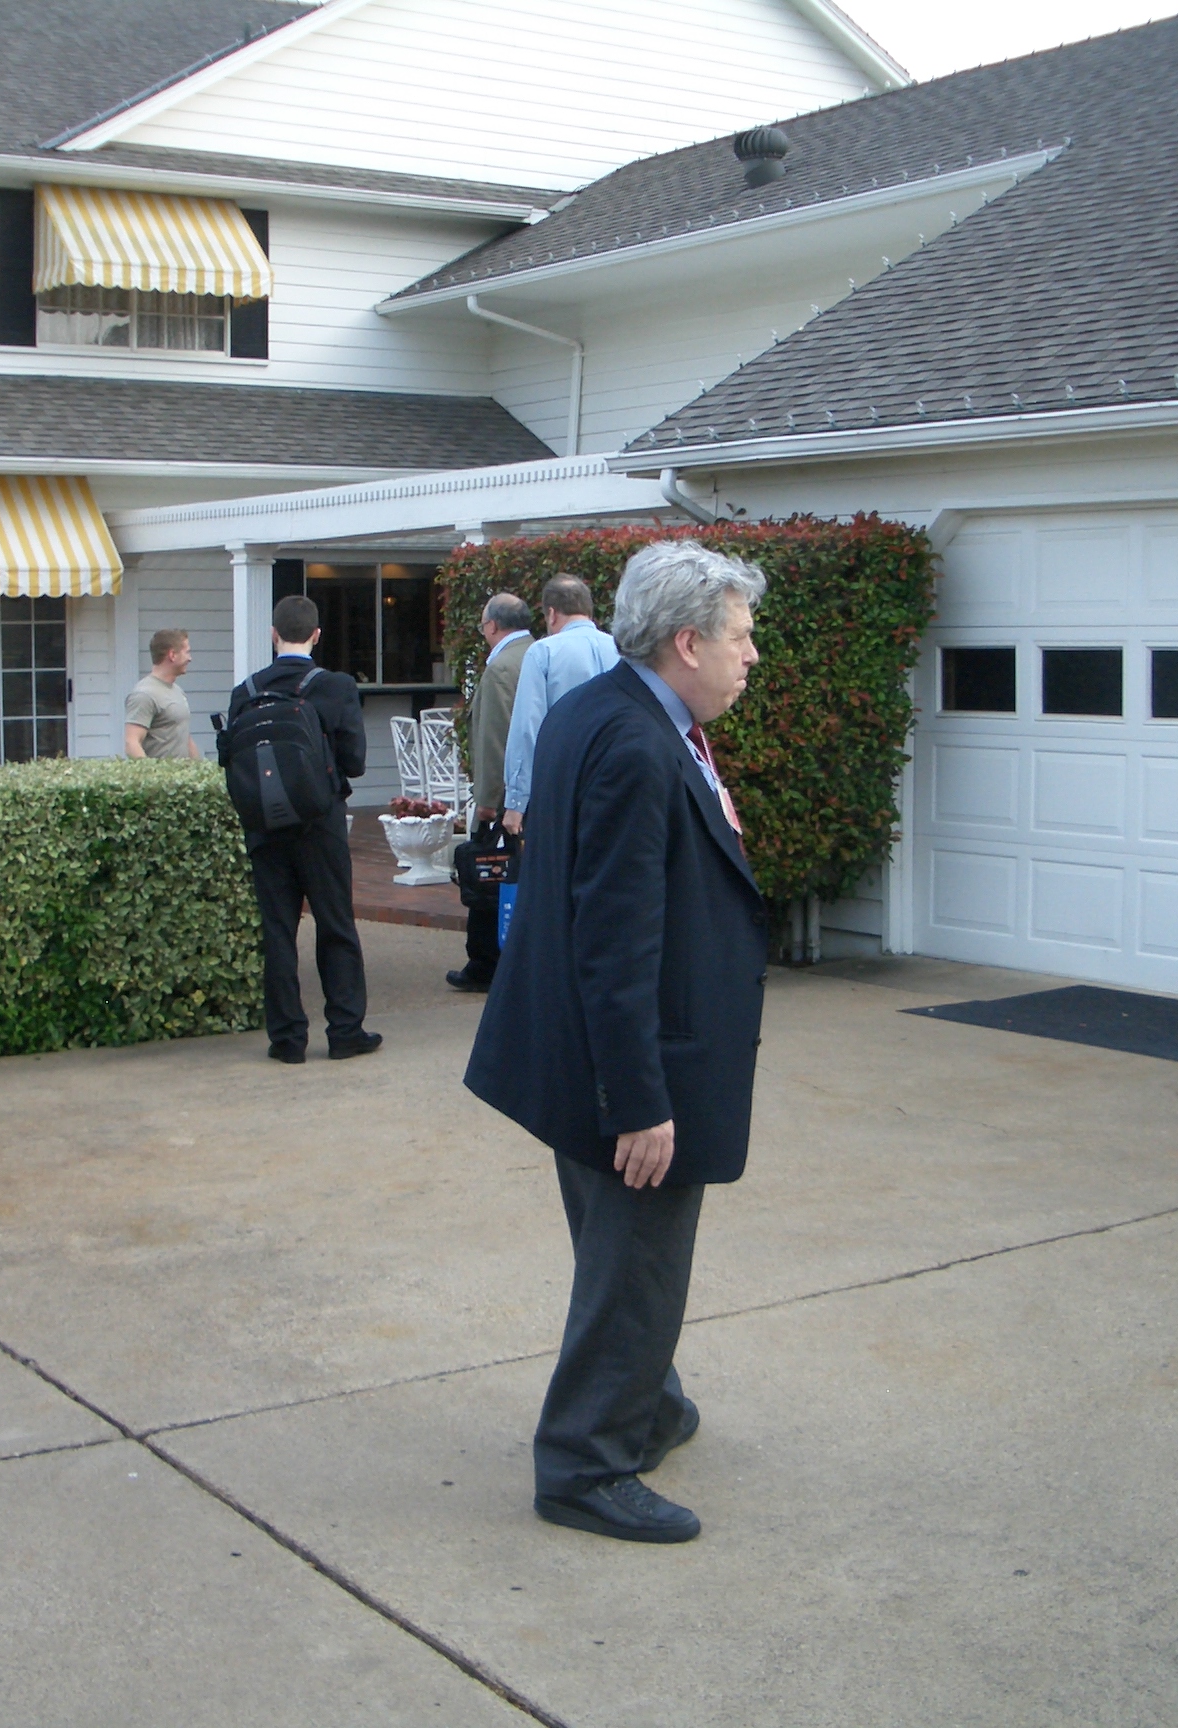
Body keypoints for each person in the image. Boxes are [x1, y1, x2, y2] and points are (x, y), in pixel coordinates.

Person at [465, 541, 770, 1545]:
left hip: (576, 1048)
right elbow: (615, 935)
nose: (751, 655)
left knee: (621, 1256)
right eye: (740, 636)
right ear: (686, 642)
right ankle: (586, 1466)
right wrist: (640, 1100)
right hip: (631, 1064)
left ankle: (648, 1404)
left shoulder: (604, 709)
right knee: (634, 1267)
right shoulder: (638, 744)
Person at [223, 595, 380, 1065]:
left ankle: (287, 1038)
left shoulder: (245, 690)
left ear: (274, 635)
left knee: (277, 929)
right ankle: (345, 1031)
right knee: (335, 923)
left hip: (264, 825)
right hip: (320, 822)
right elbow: (354, 761)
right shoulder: (335, 686)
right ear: (316, 635)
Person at [448, 592, 532, 994]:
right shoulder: (538, 653)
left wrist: (488, 799)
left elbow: (495, 738)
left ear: (493, 626)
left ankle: (484, 962)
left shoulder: (501, 667)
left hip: (506, 796)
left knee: (489, 873)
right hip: (538, 789)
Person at [498, 573, 621, 836]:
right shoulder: (622, 650)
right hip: (619, 780)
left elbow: (528, 728)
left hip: (563, 786)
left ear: (552, 614)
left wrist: (517, 800)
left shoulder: (543, 653)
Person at [125, 628, 200, 760]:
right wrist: (151, 772)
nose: (190, 658)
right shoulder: (145, 694)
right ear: (172, 655)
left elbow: (184, 737)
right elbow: (131, 743)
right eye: (187, 652)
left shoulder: (177, 690)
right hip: (162, 773)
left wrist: (199, 767)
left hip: (184, 773)